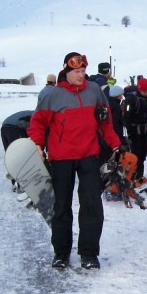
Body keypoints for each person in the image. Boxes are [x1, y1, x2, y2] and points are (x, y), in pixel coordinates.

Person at [28, 52, 121, 271]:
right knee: (61, 207)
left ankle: (89, 253)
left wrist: (115, 143)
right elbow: (38, 123)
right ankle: (61, 253)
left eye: (83, 71)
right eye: (77, 72)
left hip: (89, 155)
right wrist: (37, 146)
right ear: (66, 72)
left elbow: (105, 121)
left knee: (91, 205)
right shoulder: (52, 95)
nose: (81, 75)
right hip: (61, 158)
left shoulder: (94, 90)